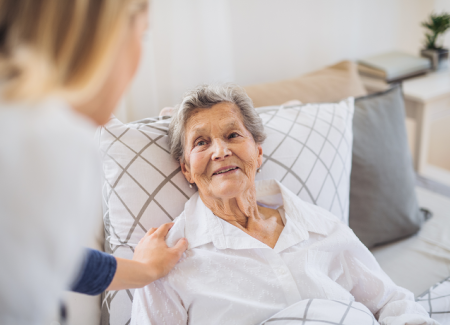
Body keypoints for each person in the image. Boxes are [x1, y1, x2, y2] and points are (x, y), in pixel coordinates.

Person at [130, 84, 437, 325]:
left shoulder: (319, 225)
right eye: (201, 142)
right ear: (186, 169)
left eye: (232, 134)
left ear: (258, 153)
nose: (220, 151)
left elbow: (390, 302)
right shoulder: (166, 259)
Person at [0, 1, 187, 324]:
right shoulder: (47, 139)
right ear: (104, 36)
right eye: (142, 35)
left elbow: (48, 259)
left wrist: (145, 270)